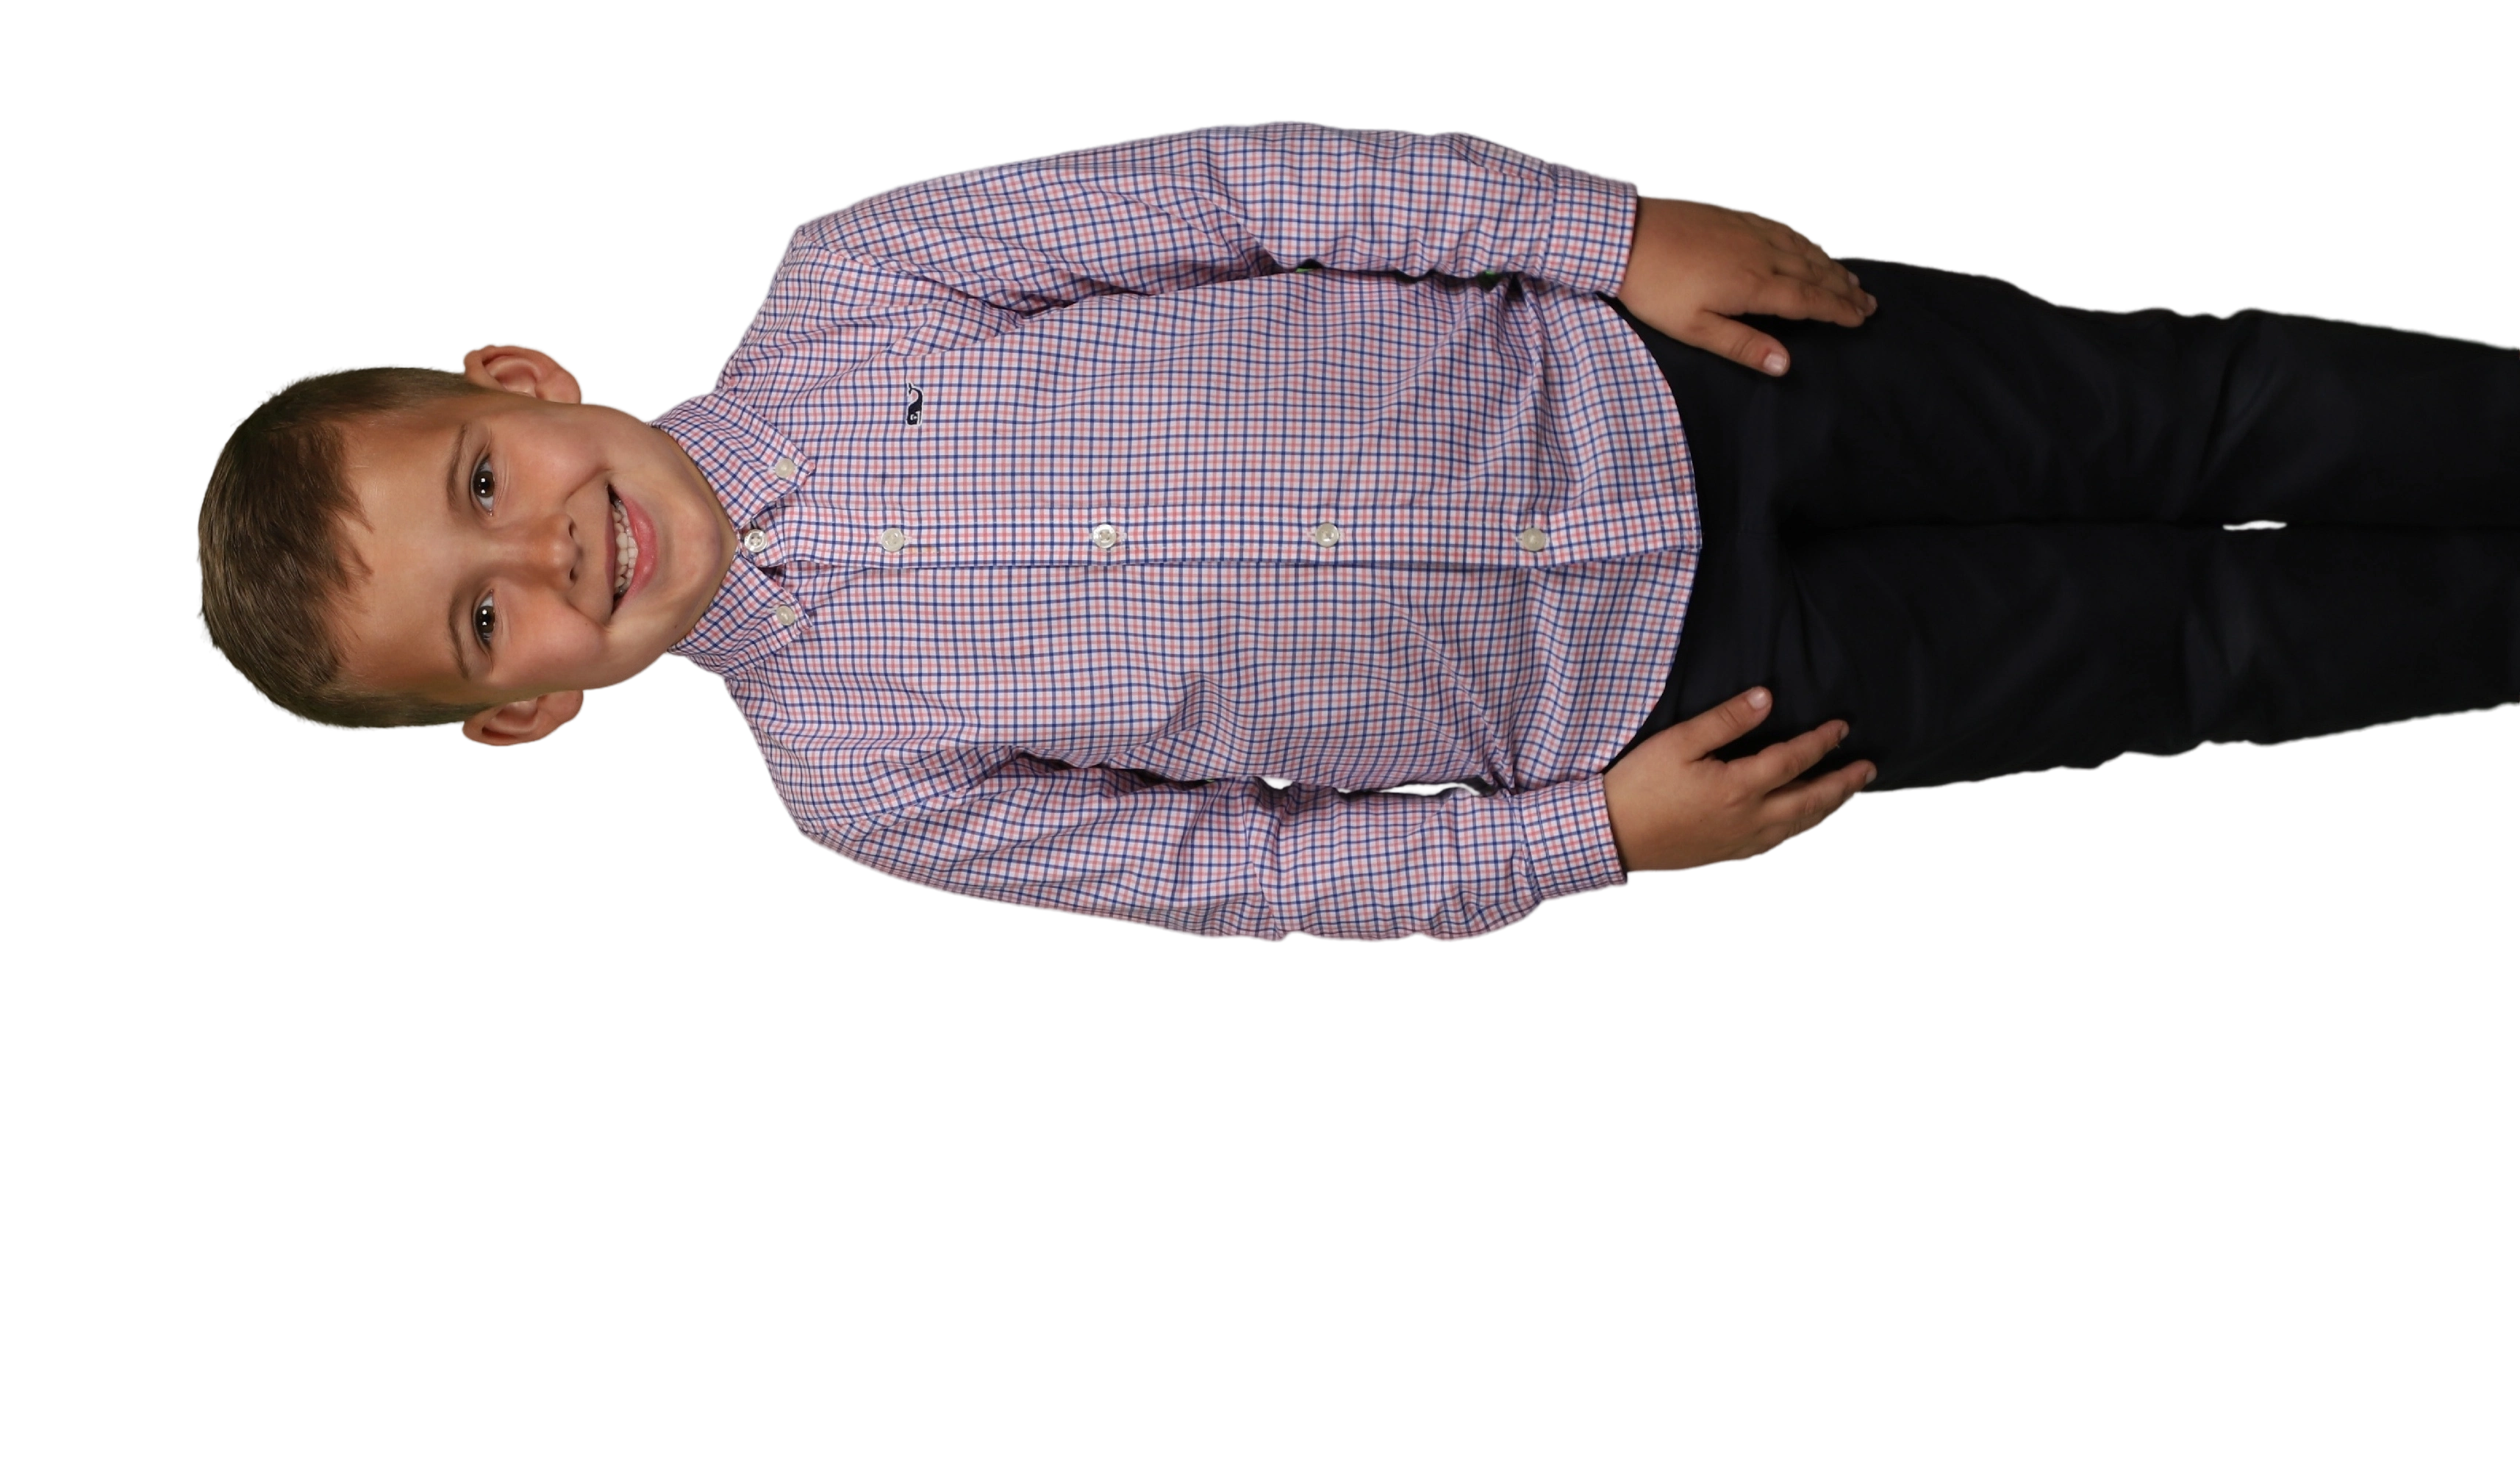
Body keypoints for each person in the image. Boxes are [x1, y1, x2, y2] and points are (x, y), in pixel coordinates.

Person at [190, 118, 2520, 942]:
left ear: (521, 381)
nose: (545, 560)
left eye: (481, 488)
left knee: (2192, 401)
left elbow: (1252, 191)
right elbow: (1248, 872)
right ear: (524, 721)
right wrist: (1591, 840)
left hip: (1670, 371)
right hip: (1676, 706)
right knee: (2194, 646)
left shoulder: (863, 277)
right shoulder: (861, 782)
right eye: (482, 625)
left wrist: (1610, 235)